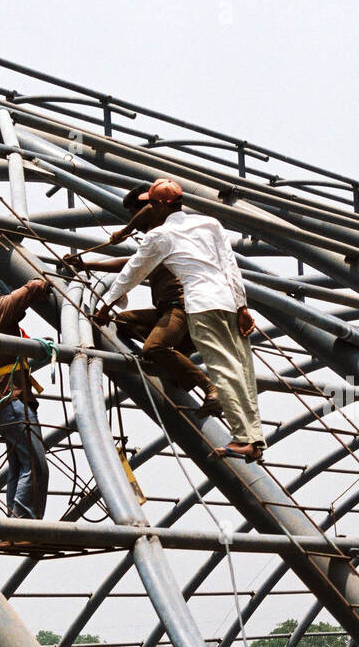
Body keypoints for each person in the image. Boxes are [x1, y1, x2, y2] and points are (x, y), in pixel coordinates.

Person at [86, 178, 265, 461]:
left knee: (221, 370)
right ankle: (253, 441)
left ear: (155, 206)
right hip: (229, 303)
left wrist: (107, 303)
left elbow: (132, 270)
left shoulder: (159, 236)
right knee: (241, 370)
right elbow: (230, 265)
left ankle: (240, 433)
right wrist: (242, 306)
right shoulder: (210, 224)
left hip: (200, 306)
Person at [66, 185, 220, 417]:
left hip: (184, 306)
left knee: (153, 348)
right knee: (124, 322)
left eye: (133, 214)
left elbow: (147, 210)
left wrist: (126, 230)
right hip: (171, 310)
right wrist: (87, 264)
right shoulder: (159, 237)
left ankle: (210, 388)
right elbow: (131, 265)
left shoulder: (165, 227)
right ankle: (177, 363)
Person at [0, 277, 52, 520]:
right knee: (36, 465)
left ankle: (15, 522)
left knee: (19, 466)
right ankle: (26, 523)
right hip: (14, 401)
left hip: (3, 406)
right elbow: (29, 291)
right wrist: (44, 280)